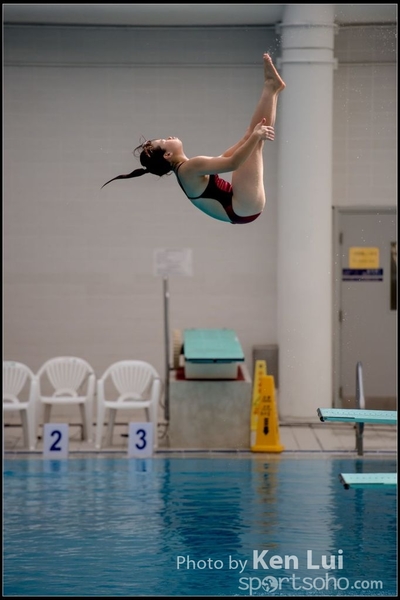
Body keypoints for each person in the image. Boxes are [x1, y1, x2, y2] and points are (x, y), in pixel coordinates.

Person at [102, 53, 285, 225]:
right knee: (255, 141)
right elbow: (233, 163)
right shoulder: (189, 168)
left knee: (252, 137)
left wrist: (247, 138)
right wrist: (254, 137)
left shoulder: (186, 171)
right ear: (167, 155)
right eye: (164, 141)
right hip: (243, 207)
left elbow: (223, 159)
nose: (169, 137)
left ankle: (273, 89)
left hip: (240, 209)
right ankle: (271, 86)